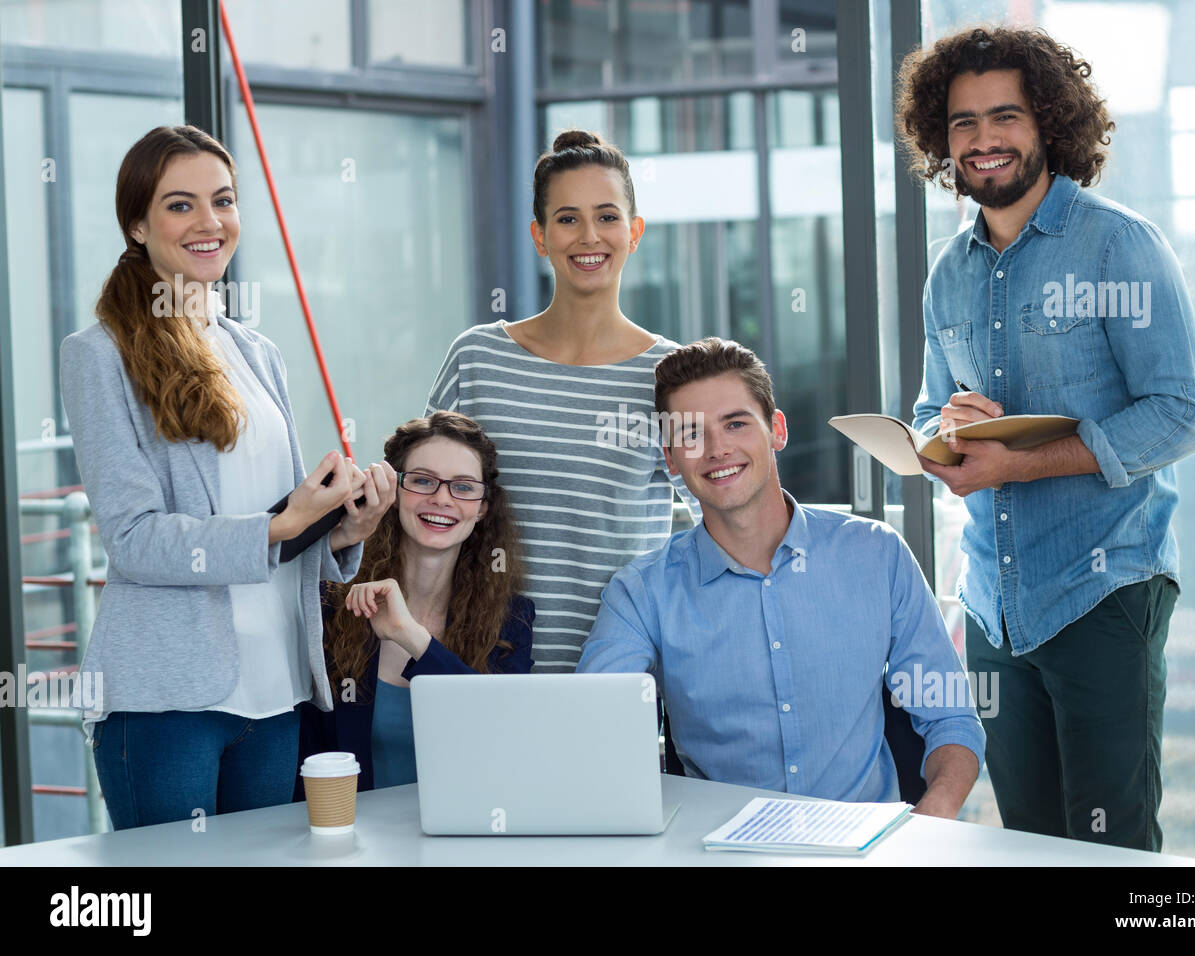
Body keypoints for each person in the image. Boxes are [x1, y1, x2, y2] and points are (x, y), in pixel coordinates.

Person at [896, 26, 1195, 849]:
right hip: (996, 610)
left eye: (1005, 116)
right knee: (1028, 843)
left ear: (1049, 125)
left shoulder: (1118, 244)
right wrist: (946, 439)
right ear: (942, 137)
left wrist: (1021, 463)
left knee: (1112, 848)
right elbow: (932, 410)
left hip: (1104, 591)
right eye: (963, 122)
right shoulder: (949, 271)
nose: (984, 139)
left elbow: (1181, 411)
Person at [59, 125, 395, 830]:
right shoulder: (99, 356)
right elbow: (134, 540)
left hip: (276, 690)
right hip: (168, 700)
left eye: (224, 200)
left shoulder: (255, 349)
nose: (209, 222)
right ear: (137, 223)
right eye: (181, 205)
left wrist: (342, 530)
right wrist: (285, 521)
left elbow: (281, 535)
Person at [578, 339, 984, 816]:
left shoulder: (876, 554)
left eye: (735, 423)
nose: (717, 449)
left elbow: (951, 720)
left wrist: (926, 828)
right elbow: (594, 731)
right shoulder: (641, 594)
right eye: (690, 435)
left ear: (777, 430)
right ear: (670, 459)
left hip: (871, 850)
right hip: (719, 852)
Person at [425, 129, 699, 673]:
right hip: (476, 662)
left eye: (607, 216)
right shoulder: (477, 357)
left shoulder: (669, 376)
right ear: (540, 236)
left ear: (634, 231)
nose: (589, 236)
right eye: (568, 218)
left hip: (616, 671)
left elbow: (722, 518)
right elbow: (422, 501)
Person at [296, 413, 535, 794]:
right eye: (423, 481)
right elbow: (308, 760)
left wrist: (413, 638)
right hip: (353, 844)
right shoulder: (332, 604)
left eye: (463, 487)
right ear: (393, 492)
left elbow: (501, 731)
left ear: (483, 507)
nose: (441, 498)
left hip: (461, 841)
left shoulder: (512, 618)